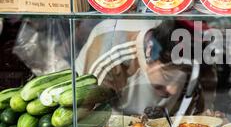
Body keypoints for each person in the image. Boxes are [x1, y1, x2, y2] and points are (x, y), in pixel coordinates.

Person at [76, 19, 215, 116]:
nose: (173, 90)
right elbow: (90, 119)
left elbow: (193, 119)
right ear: (150, 51)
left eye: (181, 81)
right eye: (167, 77)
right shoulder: (111, 52)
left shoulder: (187, 62)